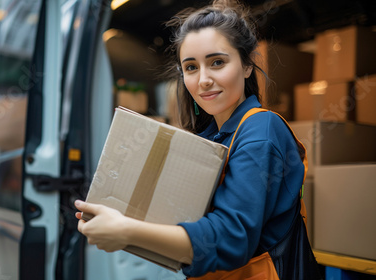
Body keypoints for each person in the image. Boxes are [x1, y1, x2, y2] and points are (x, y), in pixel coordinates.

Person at [75, 0, 322, 278]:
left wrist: (126, 231)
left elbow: (230, 239)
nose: (203, 79)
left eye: (217, 62)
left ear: (247, 65)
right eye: (191, 67)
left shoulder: (261, 131)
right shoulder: (210, 139)